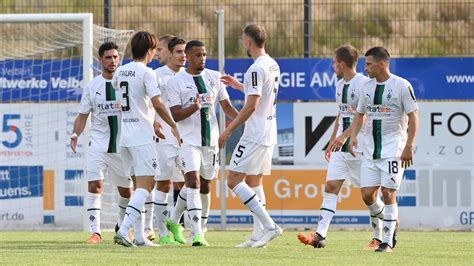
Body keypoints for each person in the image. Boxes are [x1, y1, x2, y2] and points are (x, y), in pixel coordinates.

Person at [166, 40, 239, 246]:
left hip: (210, 141)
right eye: (198, 55)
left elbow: (227, 107)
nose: (202, 58)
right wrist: (194, 107)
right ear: (188, 57)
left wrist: (246, 120)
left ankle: (174, 221)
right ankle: (197, 232)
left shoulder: (214, 77)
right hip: (188, 141)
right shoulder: (176, 82)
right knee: (193, 183)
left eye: (205, 54)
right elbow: (175, 115)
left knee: (205, 184)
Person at [112, 31, 181, 248]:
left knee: (138, 186)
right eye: (155, 50)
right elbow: (158, 103)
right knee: (147, 184)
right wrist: (173, 125)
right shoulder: (147, 73)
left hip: (124, 137)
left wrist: (152, 121)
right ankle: (124, 230)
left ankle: (140, 237)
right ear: (150, 51)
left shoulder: (120, 71)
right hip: (141, 138)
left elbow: (131, 102)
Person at [297, 45, 370, 248]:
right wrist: (332, 140)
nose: (332, 66)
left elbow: (363, 117)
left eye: (333, 63)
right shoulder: (339, 85)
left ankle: (386, 226)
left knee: (369, 195)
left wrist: (346, 136)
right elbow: (341, 114)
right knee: (331, 187)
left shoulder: (363, 84)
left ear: (342, 63)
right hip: (341, 146)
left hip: (359, 145)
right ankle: (320, 236)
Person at [348, 47, 419, 252]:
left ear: (382, 64)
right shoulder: (366, 87)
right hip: (370, 149)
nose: (365, 68)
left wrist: (408, 146)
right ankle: (392, 221)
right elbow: (360, 114)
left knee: (388, 192)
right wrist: (353, 137)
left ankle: (387, 240)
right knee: (367, 194)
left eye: (369, 64)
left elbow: (414, 117)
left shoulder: (401, 85)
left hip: (393, 148)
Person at [219, 24, 282, 248]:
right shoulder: (272, 64)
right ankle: (258, 235)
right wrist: (238, 86)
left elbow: (252, 106)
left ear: (248, 42)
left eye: (242, 40)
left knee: (234, 180)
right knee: (254, 181)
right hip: (269, 130)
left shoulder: (255, 68)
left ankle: (270, 226)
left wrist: (228, 129)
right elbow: (261, 94)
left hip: (255, 133)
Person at [70, 42, 133, 244]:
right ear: (100, 60)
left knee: (126, 191)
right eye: (108, 57)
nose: (113, 61)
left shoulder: (127, 84)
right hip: (98, 144)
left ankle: (122, 226)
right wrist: (75, 134)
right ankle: (96, 232)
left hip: (122, 147)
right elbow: (82, 116)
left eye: (115, 57)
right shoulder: (93, 86)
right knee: (95, 184)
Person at [152, 36, 187, 245]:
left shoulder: (190, 76)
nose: (158, 53)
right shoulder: (157, 76)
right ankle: (163, 234)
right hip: (164, 136)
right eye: (178, 52)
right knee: (163, 183)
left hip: (186, 137)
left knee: (190, 182)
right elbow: (150, 103)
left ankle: (178, 224)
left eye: (160, 49)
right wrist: (154, 123)